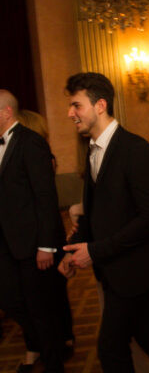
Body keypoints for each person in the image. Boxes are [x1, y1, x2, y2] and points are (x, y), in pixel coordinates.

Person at [57, 73, 149, 373]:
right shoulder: (92, 150)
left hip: (134, 271)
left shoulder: (136, 150)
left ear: (100, 105)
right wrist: (72, 252)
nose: (70, 114)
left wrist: (96, 251)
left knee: (111, 349)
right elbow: (95, 213)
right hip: (115, 270)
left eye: (76, 105)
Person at [0, 90, 68, 372]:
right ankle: (43, 346)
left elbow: (45, 198)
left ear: (6, 112)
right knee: (11, 300)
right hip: (6, 243)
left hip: (31, 245)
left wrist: (46, 246)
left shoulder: (31, 143)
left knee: (40, 310)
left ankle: (54, 364)